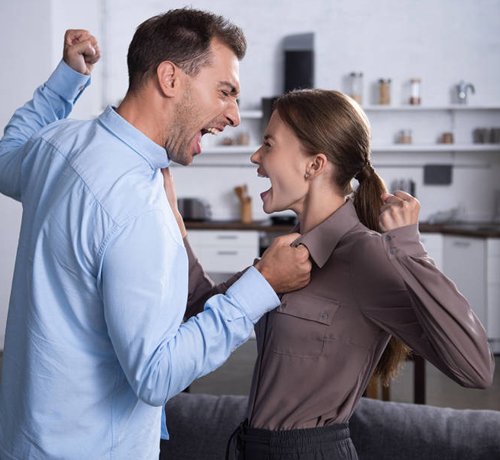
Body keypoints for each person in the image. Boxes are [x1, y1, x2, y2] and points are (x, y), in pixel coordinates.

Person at [0, 10, 312, 460]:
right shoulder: (138, 206)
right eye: (225, 92)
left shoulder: (59, 144)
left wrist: (66, 81)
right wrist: (262, 285)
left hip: (23, 442)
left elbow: (7, 157)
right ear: (170, 78)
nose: (233, 115)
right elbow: (156, 376)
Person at [172, 89, 495, 460]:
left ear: (314, 165)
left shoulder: (365, 255)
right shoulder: (285, 255)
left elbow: (476, 370)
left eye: (269, 144)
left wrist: (409, 249)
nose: (256, 156)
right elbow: (199, 307)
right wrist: (173, 223)